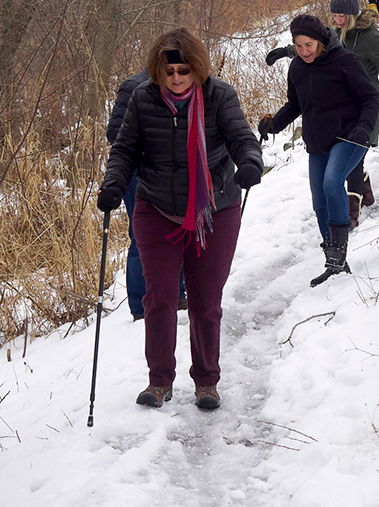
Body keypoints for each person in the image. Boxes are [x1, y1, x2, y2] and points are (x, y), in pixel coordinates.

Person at [97, 28, 263, 411]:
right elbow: (123, 149)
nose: (175, 78)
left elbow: (242, 138)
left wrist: (251, 163)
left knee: (206, 300)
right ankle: (159, 382)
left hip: (214, 209)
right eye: (169, 71)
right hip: (156, 207)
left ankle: (206, 381)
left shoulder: (219, 96)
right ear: (158, 70)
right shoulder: (143, 98)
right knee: (159, 298)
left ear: (198, 69)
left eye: (183, 71)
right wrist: (112, 184)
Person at [265, 0, 379, 229]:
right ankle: (363, 189)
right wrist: (285, 51)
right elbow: (315, 46)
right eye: (334, 15)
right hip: (339, 110)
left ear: (353, 14)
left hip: (367, 108)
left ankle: (350, 216)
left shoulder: (369, 40)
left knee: (350, 165)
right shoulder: (336, 35)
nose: (338, 19)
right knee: (350, 164)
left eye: (342, 15)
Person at [259, 14, 379, 286]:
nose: (304, 51)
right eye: (299, 46)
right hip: (318, 142)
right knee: (319, 202)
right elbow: (295, 105)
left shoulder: (344, 61)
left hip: (350, 136)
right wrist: (274, 124)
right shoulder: (298, 68)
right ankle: (334, 261)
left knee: (331, 182)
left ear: (321, 40)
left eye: (309, 45)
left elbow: (370, 97)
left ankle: (337, 258)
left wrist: (364, 128)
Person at [107, 69, 187, 319]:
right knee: (141, 237)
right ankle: (140, 307)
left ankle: (178, 294)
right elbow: (116, 134)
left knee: (179, 229)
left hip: (172, 174)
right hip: (137, 175)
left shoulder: (184, 86)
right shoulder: (133, 87)